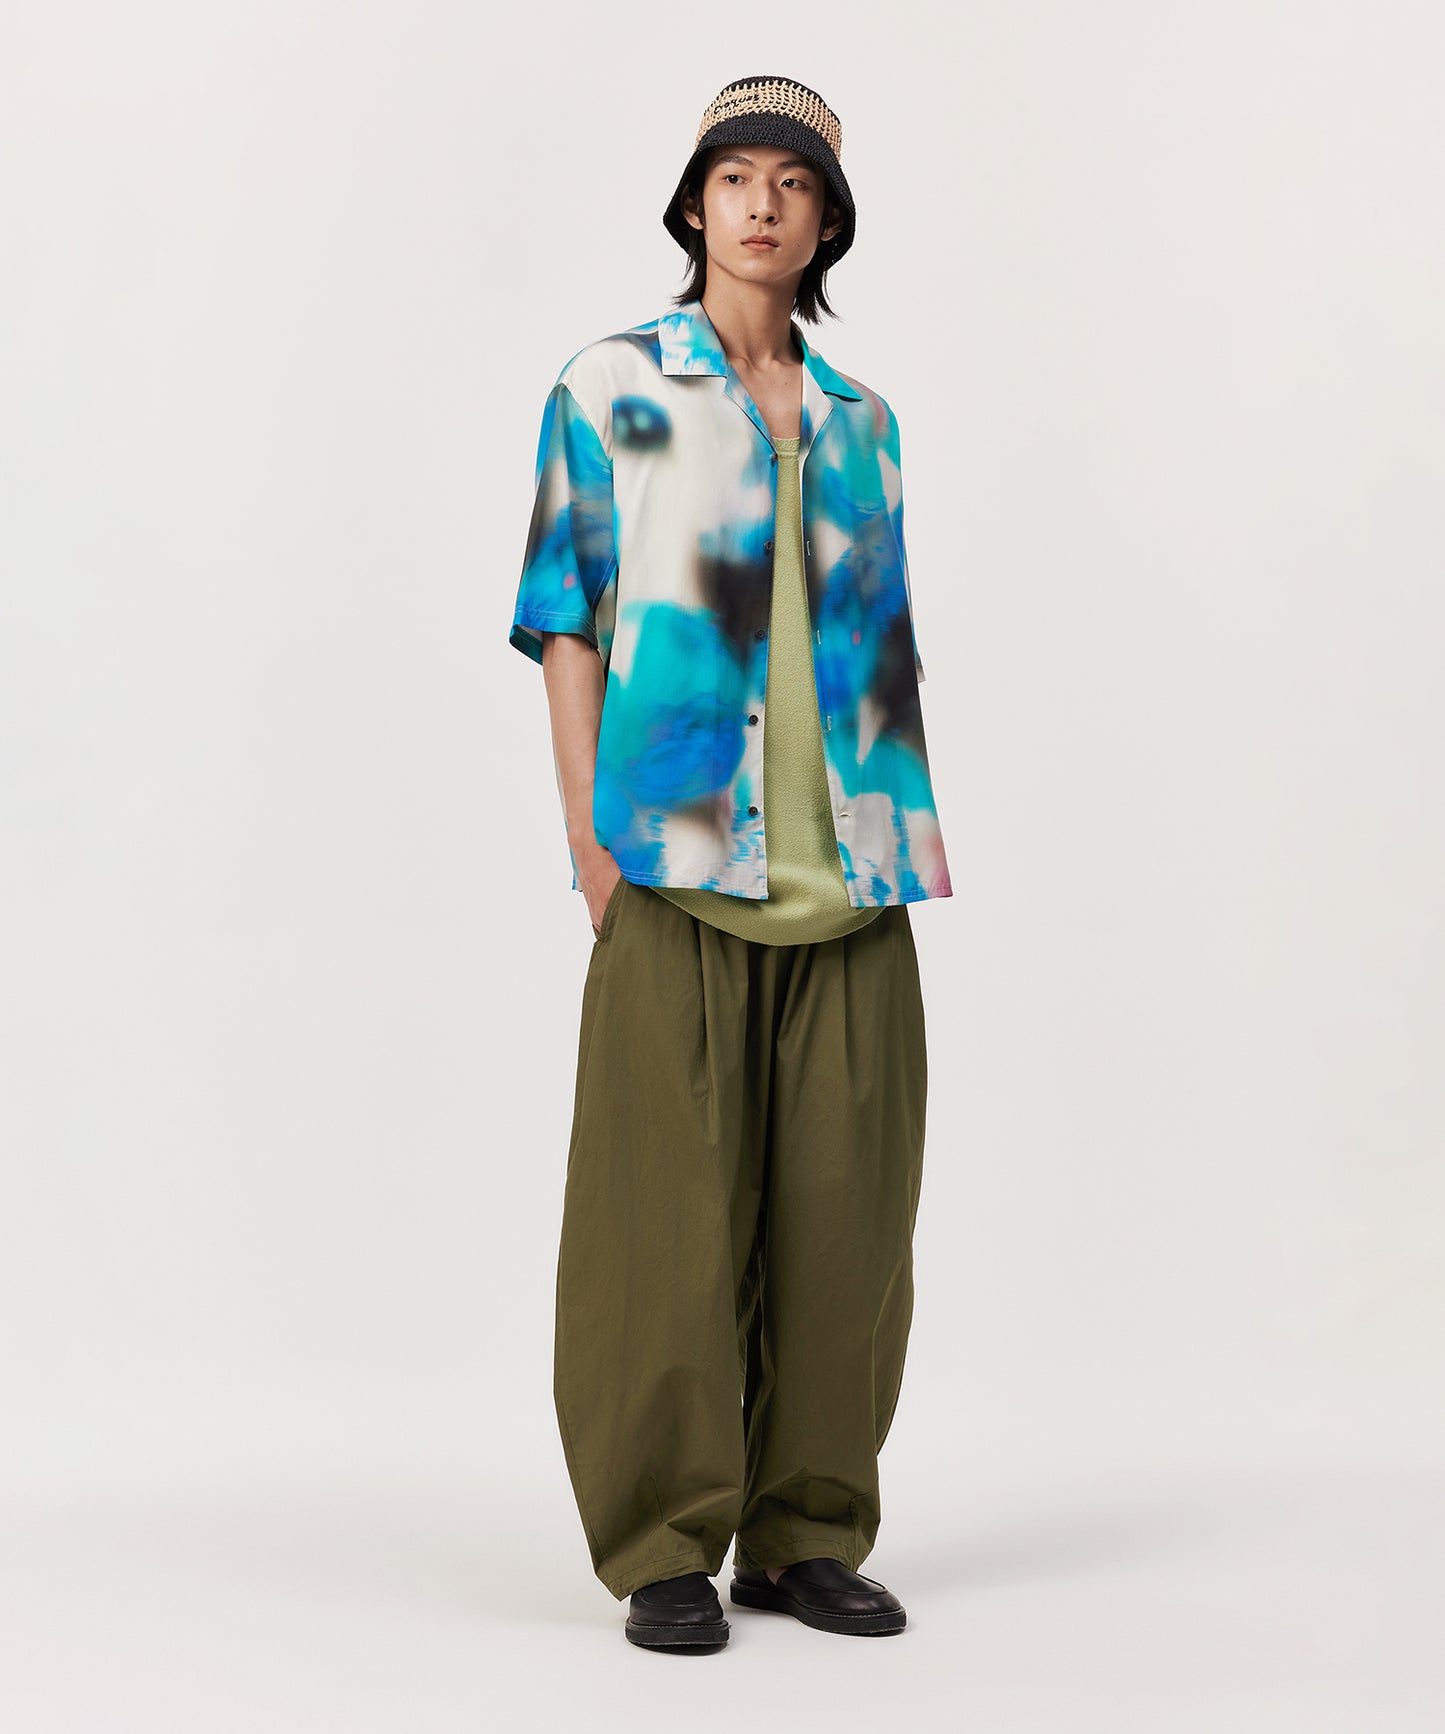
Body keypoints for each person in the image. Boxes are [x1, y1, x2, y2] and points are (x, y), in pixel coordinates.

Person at [508, 74, 952, 1651]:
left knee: (846, 1233)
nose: (762, 204)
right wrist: (589, 837)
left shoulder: (865, 423)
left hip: (857, 876)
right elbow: (564, 613)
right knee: (661, 1234)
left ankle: (804, 1532)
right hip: (675, 864)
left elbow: (870, 649)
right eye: (735, 177)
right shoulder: (612, 387)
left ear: (827, 221)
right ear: (693, 205)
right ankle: (663, 1540)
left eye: (793, 182)